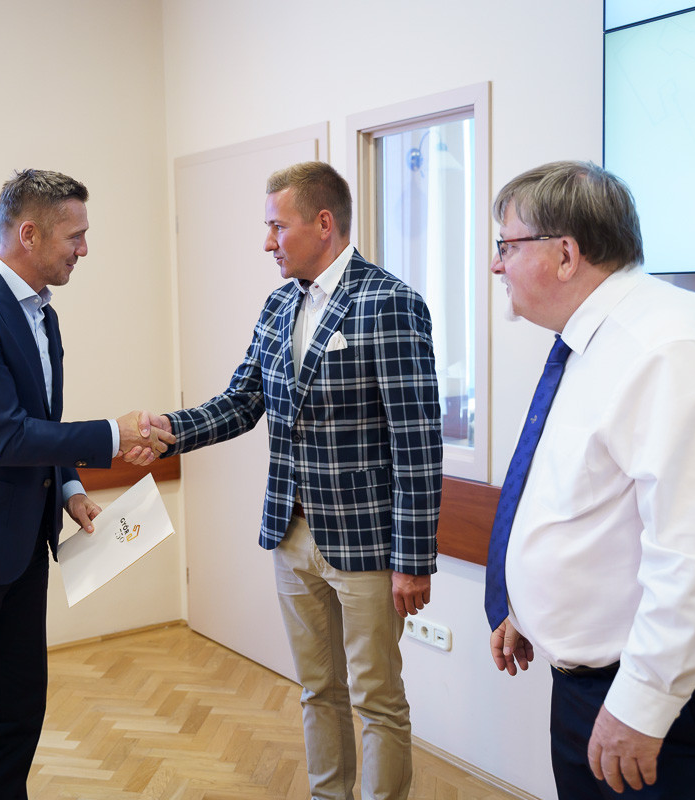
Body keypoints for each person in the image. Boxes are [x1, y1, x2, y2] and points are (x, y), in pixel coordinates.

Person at [127, 161, 443, 800]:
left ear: (323, 224)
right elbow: (242, 401)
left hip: (367, 544)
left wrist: (413, 561)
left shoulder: (390, 302)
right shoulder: (278, 306)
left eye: (278, 226)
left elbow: (417, 443)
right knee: (318, 689)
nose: (267, 242)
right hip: (290, 534)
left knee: (377, 698)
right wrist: (169, 429)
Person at [484, 160, 695, 799]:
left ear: (565, 254)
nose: (496, 265)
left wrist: (643, 703)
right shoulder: (591, 342)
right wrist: (530, 607)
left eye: (506, 245)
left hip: (682, 701)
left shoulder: (673, 347)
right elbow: (577, 499)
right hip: (596, 683)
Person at [0, 168, 174, 799]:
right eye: (75, 236)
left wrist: (70, 488)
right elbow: (4, 435)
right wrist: (113, 433)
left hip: (22, 547)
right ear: (29, 234)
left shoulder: (43, 315)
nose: (85, 249)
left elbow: (40, 423)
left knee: (19, 710)